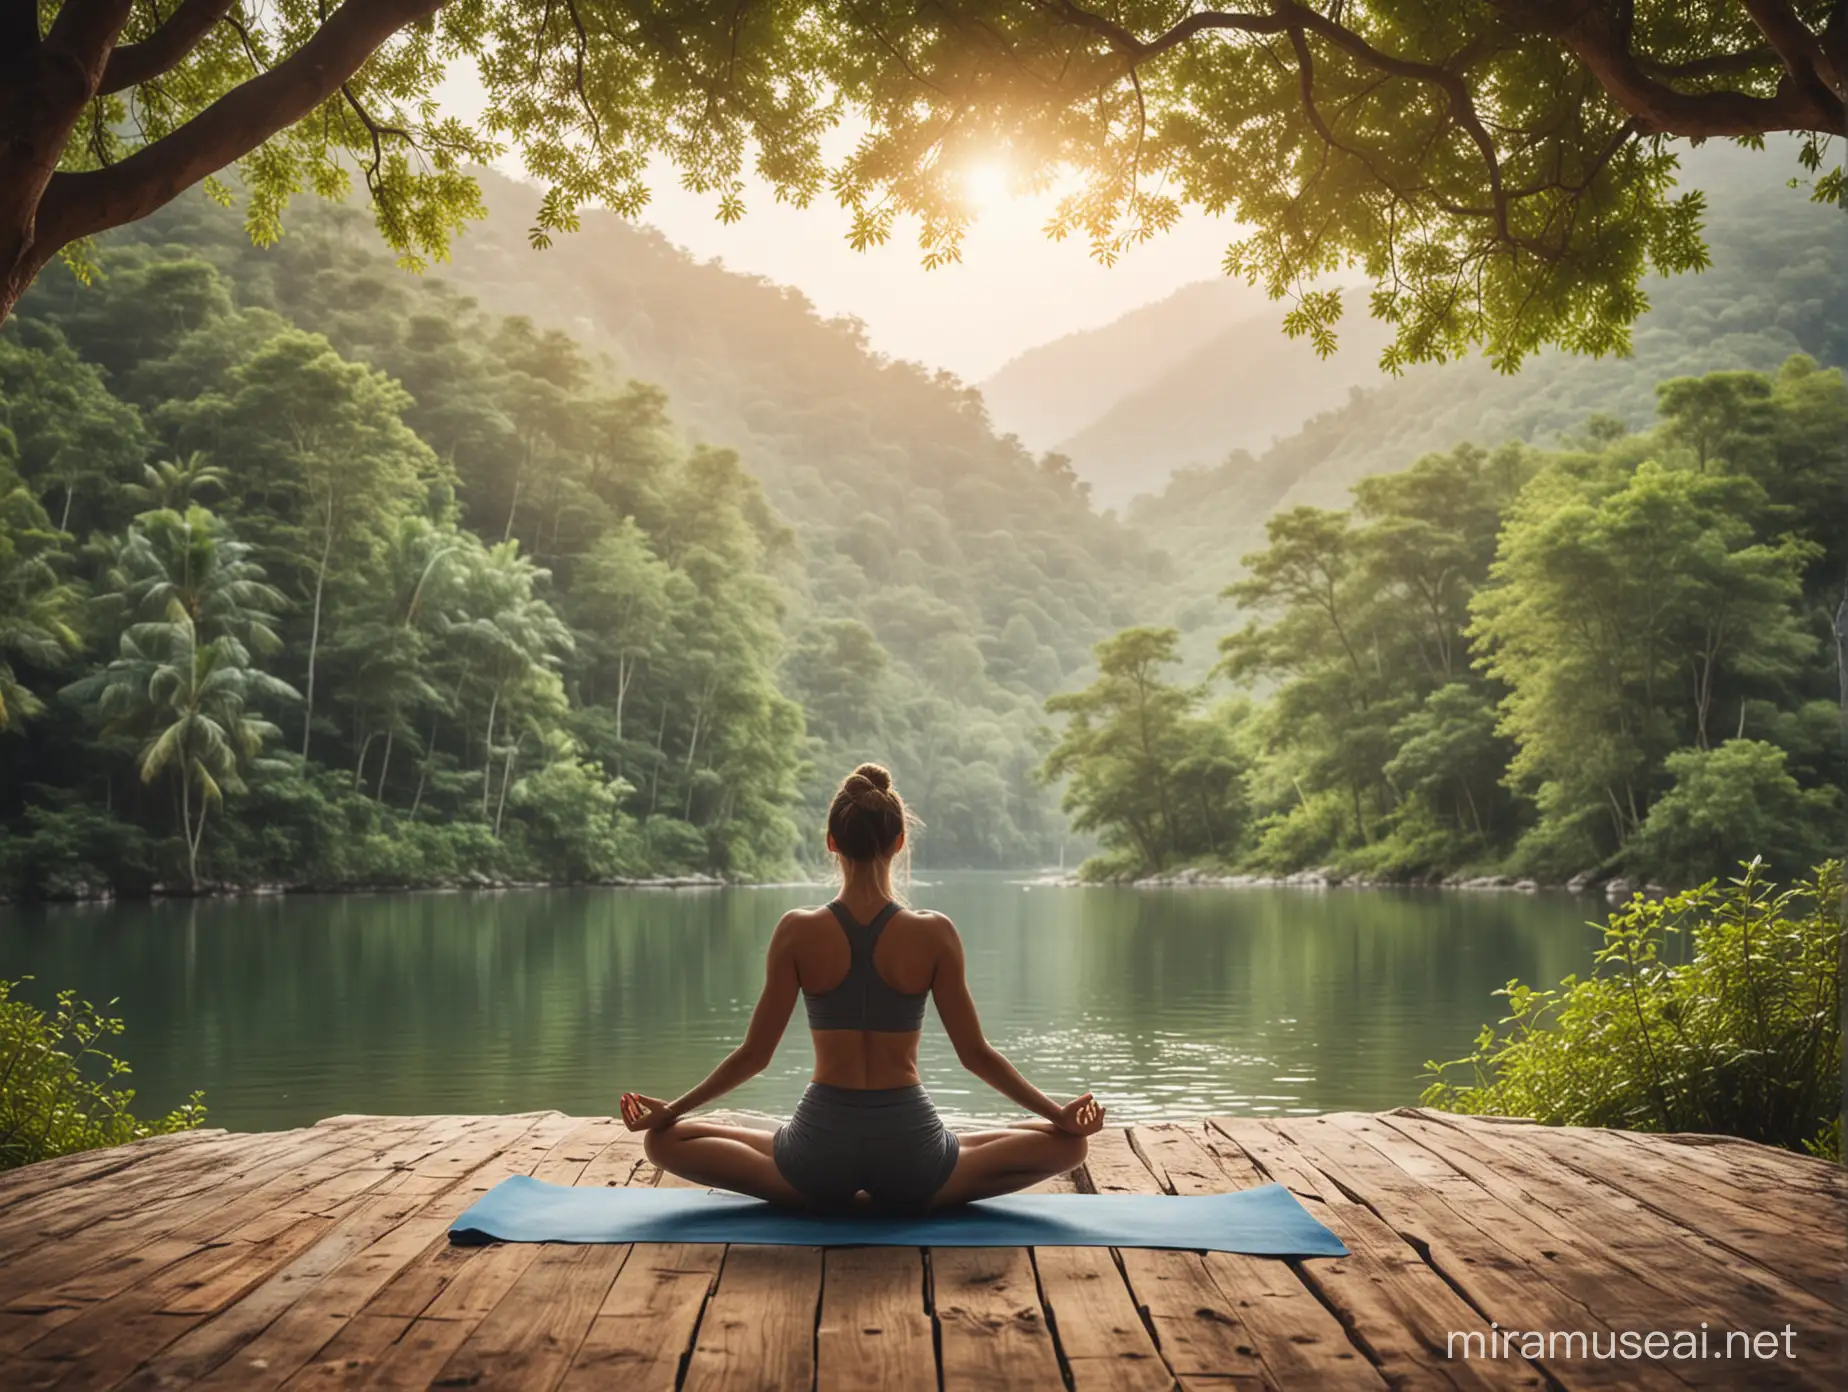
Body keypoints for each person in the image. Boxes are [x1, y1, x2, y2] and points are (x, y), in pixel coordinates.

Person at [620, 762, 1105, 1211]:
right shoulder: (934, 932)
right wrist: (1057, 1114)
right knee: (1068, 1144)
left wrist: (671, 1111)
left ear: (831, 842)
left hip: (817, 1157)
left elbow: (755, 1055)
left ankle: (809, 1184)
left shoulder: (797, 930)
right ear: (899, 842)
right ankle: (914, 1180)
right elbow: (975, 1054)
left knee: (663, 1141)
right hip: (914, 1158)